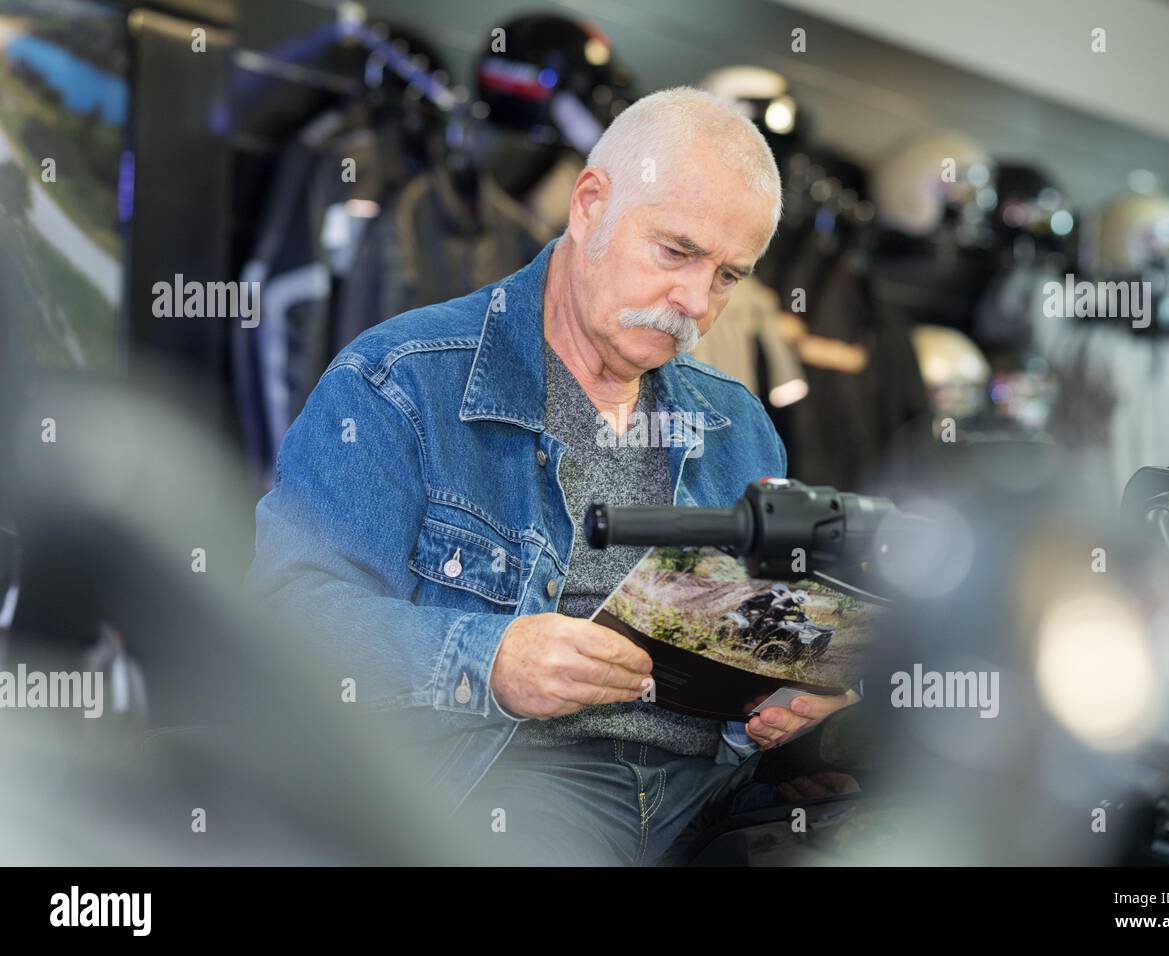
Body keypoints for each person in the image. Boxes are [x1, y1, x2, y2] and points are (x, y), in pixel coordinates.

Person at [245, 87, 858, 866]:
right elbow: (284, 624)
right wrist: (490, 660)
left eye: (729, 275)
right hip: (506, 782)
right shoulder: (399, 383)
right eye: (676, 252)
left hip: (710, 794)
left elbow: (766, 640)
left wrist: (799, 699)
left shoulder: (738, 427)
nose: (696, 305)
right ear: (590, 206)